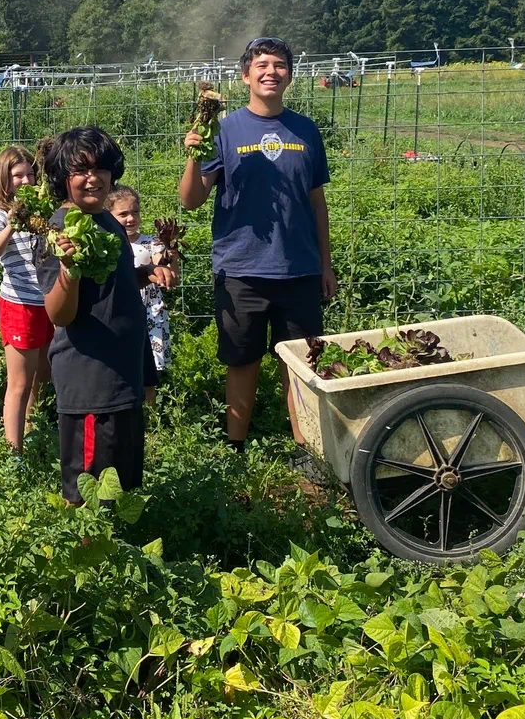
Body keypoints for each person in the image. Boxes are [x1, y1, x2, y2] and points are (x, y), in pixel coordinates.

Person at [177, 37, 336, 459]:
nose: (271, 71)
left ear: (290, 74)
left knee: (300, 365)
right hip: (241, 270)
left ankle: (308, 450)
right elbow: (190, 200)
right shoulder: (224, 130)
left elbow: (316, 202)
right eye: (261, 64)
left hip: (299, 269)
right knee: (242, 362)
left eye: (280, 64)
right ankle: (236, 448)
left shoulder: (306, 130)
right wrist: (194, 156)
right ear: (246, 75)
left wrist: (326, 264)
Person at [42, 127, 171, 504]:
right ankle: (83, 557)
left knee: (121, 484)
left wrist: (145, 273)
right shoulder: (61, 229)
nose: (92, 177)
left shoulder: (104, 220)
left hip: (122, 371)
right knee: (87, 492)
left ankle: (117, 556)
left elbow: (108, 281)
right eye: (79, 170)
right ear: (63, 176)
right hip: (91, 381)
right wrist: (68, 268)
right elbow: (59, 313)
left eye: (99, 168)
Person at [0, 145, 58, 455]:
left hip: (50, 303)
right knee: (19, 383)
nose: (26, 181)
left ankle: (32, 429)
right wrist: (14, 221)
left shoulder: (44, 211)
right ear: (3, 180)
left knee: (43, 374)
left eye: (30, 174)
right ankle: (13, 453)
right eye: (18, 176)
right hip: (20, 305)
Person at [105, 185, 179, 406]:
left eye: (134, 212)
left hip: (149, 310)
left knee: (148, 373)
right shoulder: (109, 244)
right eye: (123, 214)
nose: (130, 218)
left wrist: (169, 257)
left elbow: (165, 273)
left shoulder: (151, 243)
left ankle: (151, 418)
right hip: (121, 311)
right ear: (109, 215)